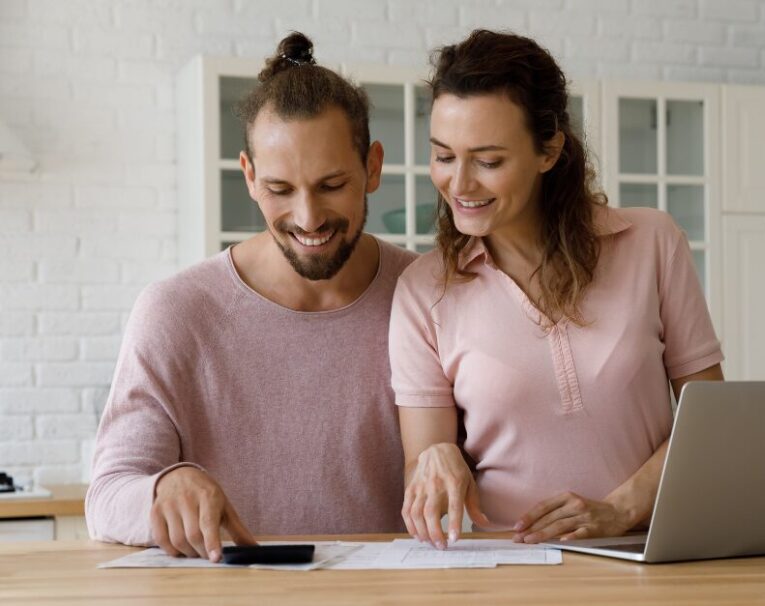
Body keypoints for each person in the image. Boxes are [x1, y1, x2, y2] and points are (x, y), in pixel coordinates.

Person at [86, 32, 416, 562]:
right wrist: (162, 490)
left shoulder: (424, 295)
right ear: (249, 176)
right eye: (281, 190)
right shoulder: (177, 311)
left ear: (372, 167)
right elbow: (106, 496)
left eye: (332, 185)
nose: (308, 218)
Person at [390, 29, 725, 551]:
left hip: (651, 554)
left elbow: (713, 415)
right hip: (507, 565)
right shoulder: (423, 290)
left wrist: (621, 509)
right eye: (443, 156)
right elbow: (423, 465)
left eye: (488, 160)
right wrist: (434, 460)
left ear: (548, 150)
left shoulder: (652, 243)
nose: (459, 184)